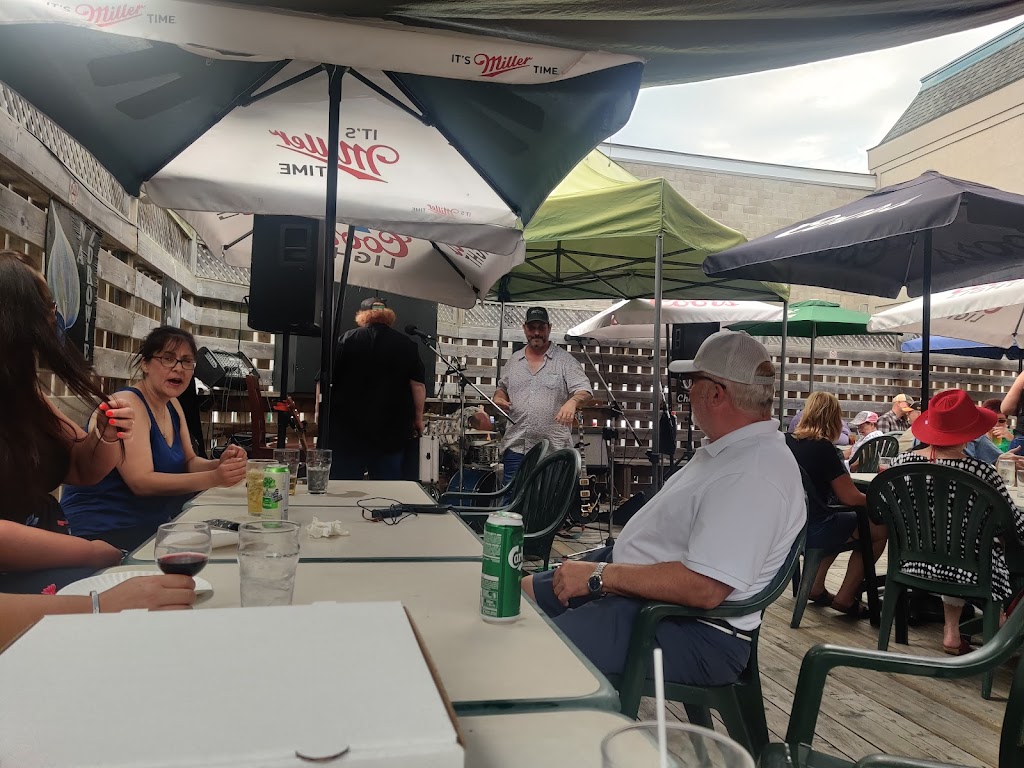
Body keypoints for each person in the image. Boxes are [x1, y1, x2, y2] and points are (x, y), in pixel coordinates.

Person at [522, 331, 804, 685]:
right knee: (520, 596)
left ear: (717, 394)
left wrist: (599, 576)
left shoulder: (753, 474)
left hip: (690, 630)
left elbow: (704, 588)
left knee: (530, 653)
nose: (688, 393)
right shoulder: (731, 450)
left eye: (692, 383)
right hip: (640, 594)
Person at [0, 249, 192, 616]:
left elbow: (82, 468)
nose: (55, 317)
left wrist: (105, 435)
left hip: (56, 562)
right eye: (48, 307)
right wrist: (91, 555)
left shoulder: (26, 395)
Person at [61, 327, 248, 552]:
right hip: (102, 533)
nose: (178, 368)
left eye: (186, 361)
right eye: (168, 358)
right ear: (145, 364)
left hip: (151, 528)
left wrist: (220, 464)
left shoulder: (172, 404)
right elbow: (141, 483)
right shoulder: (129, 403)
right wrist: (214, 477)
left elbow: (189, 461)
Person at [889, 388, 1024, 655]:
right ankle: (1004, 619)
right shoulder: (981, 472)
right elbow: (1013, 525)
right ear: (971, 432)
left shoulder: (901, 463)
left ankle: (952, 632)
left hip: (911, 562)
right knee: (987, 547)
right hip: (972, 567)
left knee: (958, 542)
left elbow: (885, 513)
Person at [786, 392, 887, 617]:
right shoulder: (823, 448)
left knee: (842, 519)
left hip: (787, 527)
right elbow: (849, 497)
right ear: (833, 418)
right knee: (877, 527)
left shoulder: (786, 441)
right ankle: (846, 597)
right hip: (814, 529)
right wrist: (879, 503)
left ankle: (815, 586)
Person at [327, 297, 426, 480]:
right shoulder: (406, 344)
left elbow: (324, 379)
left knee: (345, 485)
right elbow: (417, 385)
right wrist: (418, 419)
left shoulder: (345, 340)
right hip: (391, 431)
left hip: (349, 431)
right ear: (388, 316)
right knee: (388, 487)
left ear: (362, 316)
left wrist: (320, 413)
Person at [493, 307, 592, 485]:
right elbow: (502, 388)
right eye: (532, 328)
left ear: (549, 328)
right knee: (513, 500)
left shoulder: (565, 361)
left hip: (553, 450)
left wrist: (572, 402)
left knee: (548, 501)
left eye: (541, 327)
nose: (537, 332)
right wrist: (498, 397)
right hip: (516, 447)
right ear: (524, 328)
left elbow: (585, 390)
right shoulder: (514, 361)